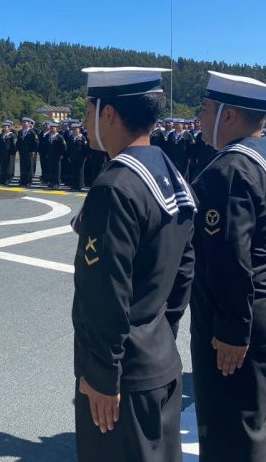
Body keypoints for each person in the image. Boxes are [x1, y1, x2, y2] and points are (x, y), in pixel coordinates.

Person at [72, 66, 195, 462]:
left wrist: (104, 373)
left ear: (108, 113)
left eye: (89, 109)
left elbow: (105, 292)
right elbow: (185, 266)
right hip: (159, 357)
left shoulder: (116, 186)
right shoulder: (167, 171)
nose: (84, 121)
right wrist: (163, 329)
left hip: (123, 376)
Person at [189, 70, 266, 461]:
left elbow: (232, 257)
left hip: (233, 322)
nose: (200, 118)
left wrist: (233, 329)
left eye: (205, 110)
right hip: (258, 308)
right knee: (253, 420)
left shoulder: (230, 170)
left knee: (228, 430)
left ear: (230, 116)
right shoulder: (260, 157)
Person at [43, 122, 67, 189]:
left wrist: (62, 154)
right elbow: (46, 146)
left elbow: (64, 146)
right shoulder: (48, 136)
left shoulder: (60, 137)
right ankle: (51, 182)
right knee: (51, 169)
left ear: (56, 128)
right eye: (50, 128)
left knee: (57, 170)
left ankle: (57, 183)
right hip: (50, 155)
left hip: (57, 156)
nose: (51, 129)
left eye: (53, 128)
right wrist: (46, 153)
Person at [17, 117, 38, 187]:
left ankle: (29, 181)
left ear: (29, 123)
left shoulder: (32, 132)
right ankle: (23, 180)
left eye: (25, 122)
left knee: (29, 167)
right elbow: (18, 142)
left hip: (29, 152)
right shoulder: (20, 132)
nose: (23, 124)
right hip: (22, 152)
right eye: (23, 122)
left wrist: (34, 151)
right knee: (22, 166)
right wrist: (18, 149)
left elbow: (36, 142)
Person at [0, 120, 17, 185]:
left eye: (6, 127)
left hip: (9, 153)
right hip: (2, 153)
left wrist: (13, 153)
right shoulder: (1, 135)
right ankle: (2, 179)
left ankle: (8, 179)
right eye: (4, 127)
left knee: (8, 167)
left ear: (9, 128)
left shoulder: (12, 135)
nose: (4, 128)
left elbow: (14, 145)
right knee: (2, 166)